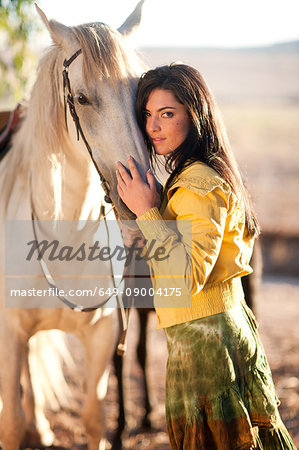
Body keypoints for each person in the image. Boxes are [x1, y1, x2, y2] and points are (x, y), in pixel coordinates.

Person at [116, 64, 296, 449]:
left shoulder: (200, 186)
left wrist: (148, 212)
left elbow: (186, 277)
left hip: (210, 348)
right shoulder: (189, 179)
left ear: (195, 116)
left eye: (167, 114)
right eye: (147, 115)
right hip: (201, 341)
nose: (153, 127)